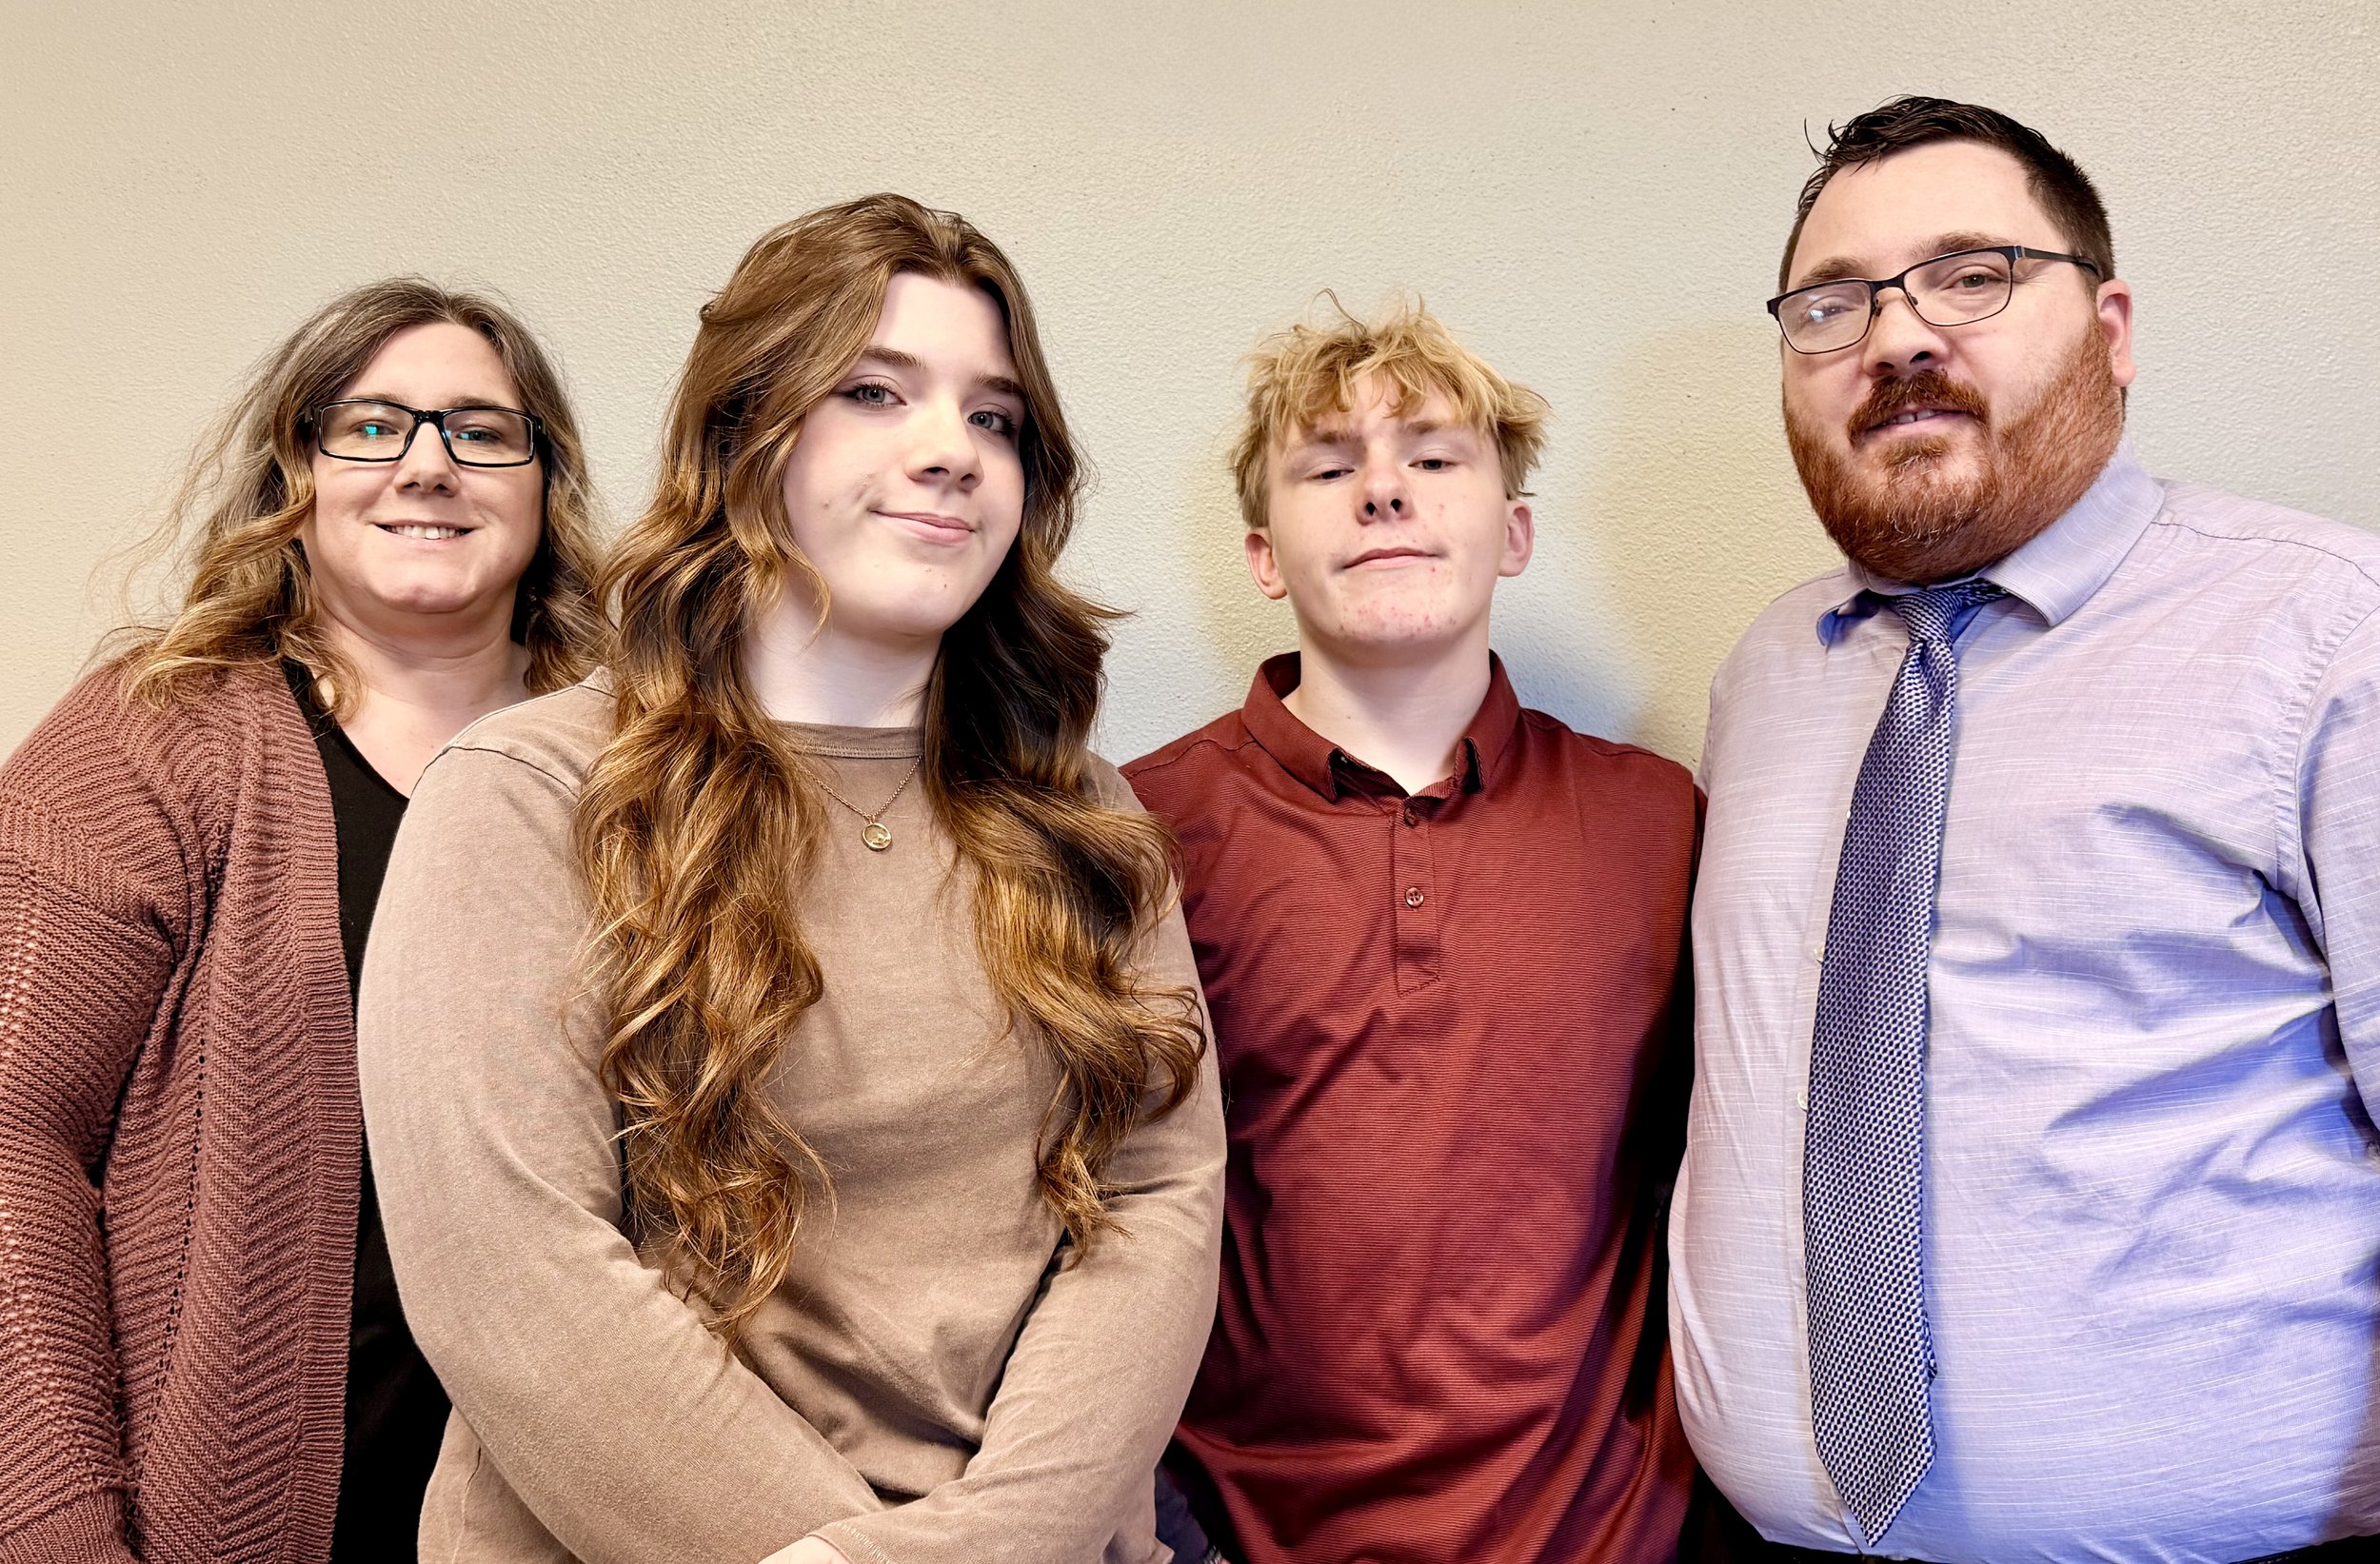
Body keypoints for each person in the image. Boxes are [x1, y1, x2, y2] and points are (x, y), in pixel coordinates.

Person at [356, 193, 1226, 1564]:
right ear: (746, 432)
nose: (950, 451)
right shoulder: (527, 792)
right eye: (875, 392)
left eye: (994, 417)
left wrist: (994, 1548)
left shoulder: (1085, 814)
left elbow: (1157, 1205)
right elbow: (511, 1275)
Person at [1674, 96, 2380, 1563]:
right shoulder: (1768, 676)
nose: (1896, 337)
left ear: (2110, 329)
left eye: (1971, 276)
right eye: (1832, 305)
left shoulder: (2326, 636)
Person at [0, 279, 605, 1564]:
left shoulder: (653, 767)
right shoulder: (151, 743)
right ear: (297, 471)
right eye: (373, 427)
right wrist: (56, 1529)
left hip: (581, 1513)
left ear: (546, 484)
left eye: (482, 431)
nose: (430, 466)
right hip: (242, 1520)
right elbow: (12, 1134)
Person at [1124, 298, 1701, 1563]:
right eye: (1329, 469)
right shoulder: (1135, 831)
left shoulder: (1660, 823)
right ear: (1264, 554)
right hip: (1237, 1539)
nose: (1384, 491)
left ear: (1515, 533)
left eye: (1434, 459)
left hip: (1603, 1536)